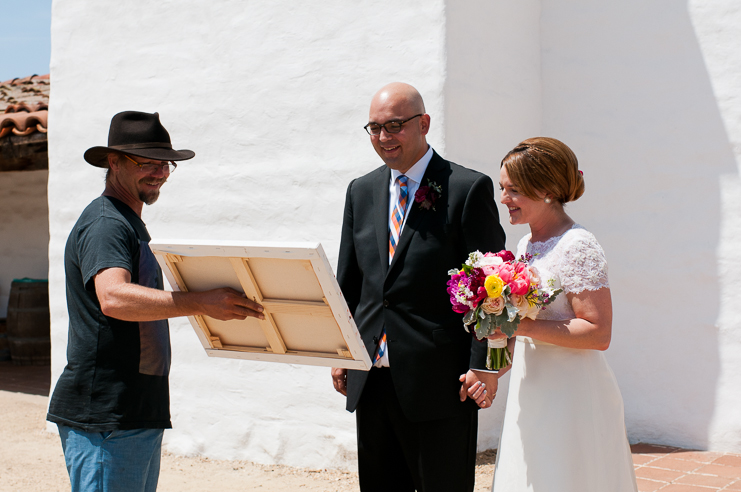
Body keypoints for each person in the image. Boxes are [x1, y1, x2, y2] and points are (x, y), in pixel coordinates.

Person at [47, 111, 265, 492]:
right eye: (146, 163)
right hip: (106, 417)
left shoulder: (127, 221)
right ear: (113, 162)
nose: (160, 172)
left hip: (133, 412)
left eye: (165, 164)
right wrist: (202, 302)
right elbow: (113, 296)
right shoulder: (106, 223)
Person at [330, 82, 506, 492]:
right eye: (374, 128)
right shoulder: (361, 190)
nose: (383, 138)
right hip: (370, 379)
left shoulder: (466, 189)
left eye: (394, 125)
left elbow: (491, 291)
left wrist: (484, 366)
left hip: (441, 383)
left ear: (424, 123)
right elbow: (350, 281)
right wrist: (340, 350)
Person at [487, 137, 638, 491]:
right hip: (532, 387)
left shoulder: (578, 245)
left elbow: (598, 332)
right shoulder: (526, 245)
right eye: (502, 188)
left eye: (514, 190)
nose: (504, 199)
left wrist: (519, 324)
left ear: (548, 190)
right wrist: (493, 361)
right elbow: (526, 325)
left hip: (572, 395)